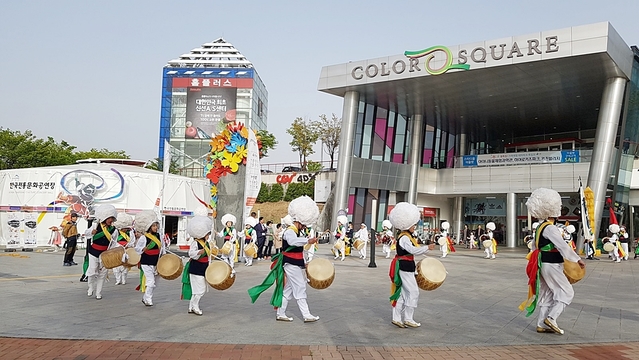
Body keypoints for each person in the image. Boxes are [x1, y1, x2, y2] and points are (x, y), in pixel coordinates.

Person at [521, 187, 585, 335]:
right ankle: (551, 318)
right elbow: (563, 246)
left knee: (547, 293)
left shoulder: (539, 228)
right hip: (552, 264)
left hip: (542, 264)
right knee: (567, 292)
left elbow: (534, 247)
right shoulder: (551, 228)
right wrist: (577, 259)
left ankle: (540, 324)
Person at [248, 195, 320, 323]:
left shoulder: (297, 231)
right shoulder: (289, 232)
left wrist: (305, 261)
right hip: (290, 263)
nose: (304, 227)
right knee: (300, 287)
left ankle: (281, 313)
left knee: (289, 290)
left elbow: (299, 248)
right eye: (303, 225)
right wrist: (308, 240)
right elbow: (293, 242)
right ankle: (306, 314)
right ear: (298, 221)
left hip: (295, 263)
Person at [388, 202, 431, 328]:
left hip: (405, 266)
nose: (415, 226)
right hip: (405, 267)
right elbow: (413, 251)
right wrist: (427, 248)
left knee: (403, 293)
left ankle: (397, 318)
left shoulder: (406, 236)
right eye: (413, 224)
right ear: (407, 224)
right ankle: (408, 318)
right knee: (413, 292)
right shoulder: (404, 238)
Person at [181, 215, 213, 316]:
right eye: (208, 234)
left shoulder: (207, 243)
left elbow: (209, 256)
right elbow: (191, 254)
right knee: (200, 290)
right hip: (196, 268)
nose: (208, 235)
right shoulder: (195, 243)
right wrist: (199, 252)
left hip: (203, 267)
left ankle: (191, 306)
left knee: (197, 290)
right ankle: (195, 306)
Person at [85, 205, 117, 300]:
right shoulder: (95, 225)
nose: (111, 220)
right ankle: (90, 287)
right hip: (94, 251)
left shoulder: (114, 230)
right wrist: (92, 232)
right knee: (92, 270)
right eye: (109, 218)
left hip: (105, 254)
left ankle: (98, 292)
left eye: (112, 218)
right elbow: (86, 233)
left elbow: (114, 243)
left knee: (102, 273)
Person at [134, 210, 162, 306]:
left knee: (155, 283)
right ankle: (148, 299)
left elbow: (162, 248)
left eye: (156, 225)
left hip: (156, 262)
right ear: (149, 227)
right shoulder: (144, 237)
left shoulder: (159, 236)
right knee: (151, 281)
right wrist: (143, 249)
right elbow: (137, 249)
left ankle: (145, 297)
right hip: (146, 262)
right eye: (153, 226)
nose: (155, 227)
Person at [112, 213, 135, 285]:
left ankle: (124, 278)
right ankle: (118, 279)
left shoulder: (130, 232)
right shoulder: (116, 232)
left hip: (126, 250)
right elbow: (112, 240)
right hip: (117, 250)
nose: (125, 229)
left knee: (125, 265)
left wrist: (129, 245)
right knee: (116, 265)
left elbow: (132, 240)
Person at [79, 216, 95, 282]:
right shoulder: (94, 226)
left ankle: (88, 274)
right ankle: (86, 275)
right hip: (91, 246)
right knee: (88, 259)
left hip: (94, 246)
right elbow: (87, 233)